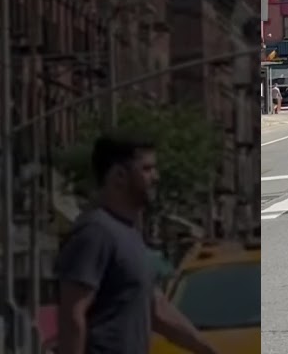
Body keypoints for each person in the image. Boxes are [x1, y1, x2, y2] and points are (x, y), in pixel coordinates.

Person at [55, 133, 217, 354]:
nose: (156, 177)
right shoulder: (96, 232)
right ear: (119, 176)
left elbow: (156, 309)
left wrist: (207, 349)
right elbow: (72, 315)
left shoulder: (129, 232)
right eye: (147, 169)